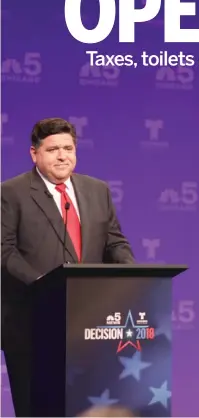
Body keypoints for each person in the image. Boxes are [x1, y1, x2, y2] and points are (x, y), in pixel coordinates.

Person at [1, 118, 136, 417]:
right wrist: (41, 284)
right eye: (53, 150)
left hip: (91, 325)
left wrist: (131, 275)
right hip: (33, 323)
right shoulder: (10, 193)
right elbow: (4, 251)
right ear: (34, 154)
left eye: (68, 148)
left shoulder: (97, 190)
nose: (62, 156)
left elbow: (114, 242)